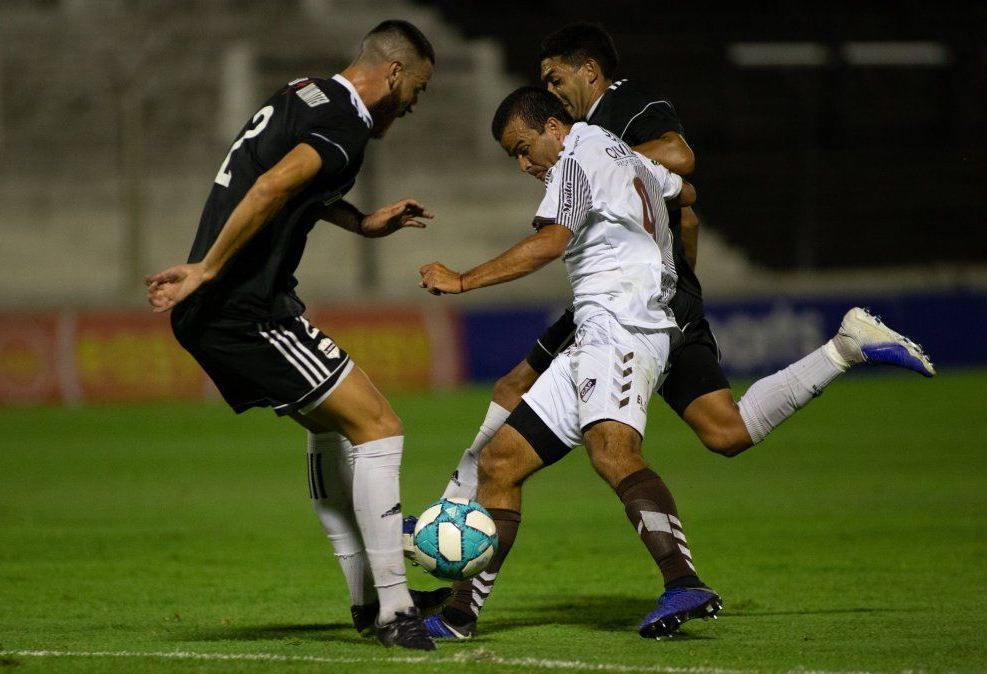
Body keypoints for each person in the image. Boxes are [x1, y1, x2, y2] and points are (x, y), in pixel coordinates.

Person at [433, 22, 935, 515]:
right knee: (726, 432)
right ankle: (845, 348)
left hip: (637, 297)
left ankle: (451, 512)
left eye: (555, 79)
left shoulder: (620, 109)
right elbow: (686, 205)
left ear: (590, 71)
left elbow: (681, 157)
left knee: (522, 388)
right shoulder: (585, 139)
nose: (550, 92)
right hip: (650, 289)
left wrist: (607, 163)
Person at [145, 20, 442, 651]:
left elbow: (295, 184)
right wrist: (207, 269)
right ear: (393, 73)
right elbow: (273, 184)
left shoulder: (306, 94)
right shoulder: (346, 124)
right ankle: (396, 611)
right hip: (244, 310)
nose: (415, 103)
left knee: (335, 428)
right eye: (418, 86)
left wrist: (361, 222)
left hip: (230, 309)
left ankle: (371, 602)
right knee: (380, 427)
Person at [418, 86, 718, 639]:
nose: (524, 163)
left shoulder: (577, 154)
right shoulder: (619, 151)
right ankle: (459, 615)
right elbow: (687, 191)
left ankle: (683, 581)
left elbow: (549, 244)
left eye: (524, 147)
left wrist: (461, 279)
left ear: (555, 127)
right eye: (514, 155)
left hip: (623, 327)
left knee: (612, 451)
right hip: (596, 330)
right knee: (500, 463)